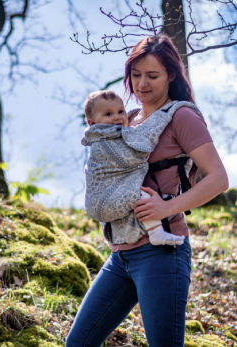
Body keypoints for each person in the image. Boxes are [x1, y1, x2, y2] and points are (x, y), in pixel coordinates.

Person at [66, 34, 228, 347]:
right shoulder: (127, 119)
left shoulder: (181, 116)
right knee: (78, 342)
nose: (142, 84)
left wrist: (168, 208)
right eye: (136, 75)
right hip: (121, 255)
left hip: (161, 254)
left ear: (170, 75)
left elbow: (218, 179)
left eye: (152, 75)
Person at [82, 89, 187, 246]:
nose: (117, 117)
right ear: (92, 123)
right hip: (102, 200)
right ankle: (156, 233)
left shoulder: (99, 139)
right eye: (108, 114)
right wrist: (167, 112)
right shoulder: (105, 141)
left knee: (133, 206)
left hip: (97, 205)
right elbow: (142, 139)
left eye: (120, 111)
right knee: (145, 198)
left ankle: (120, 241)